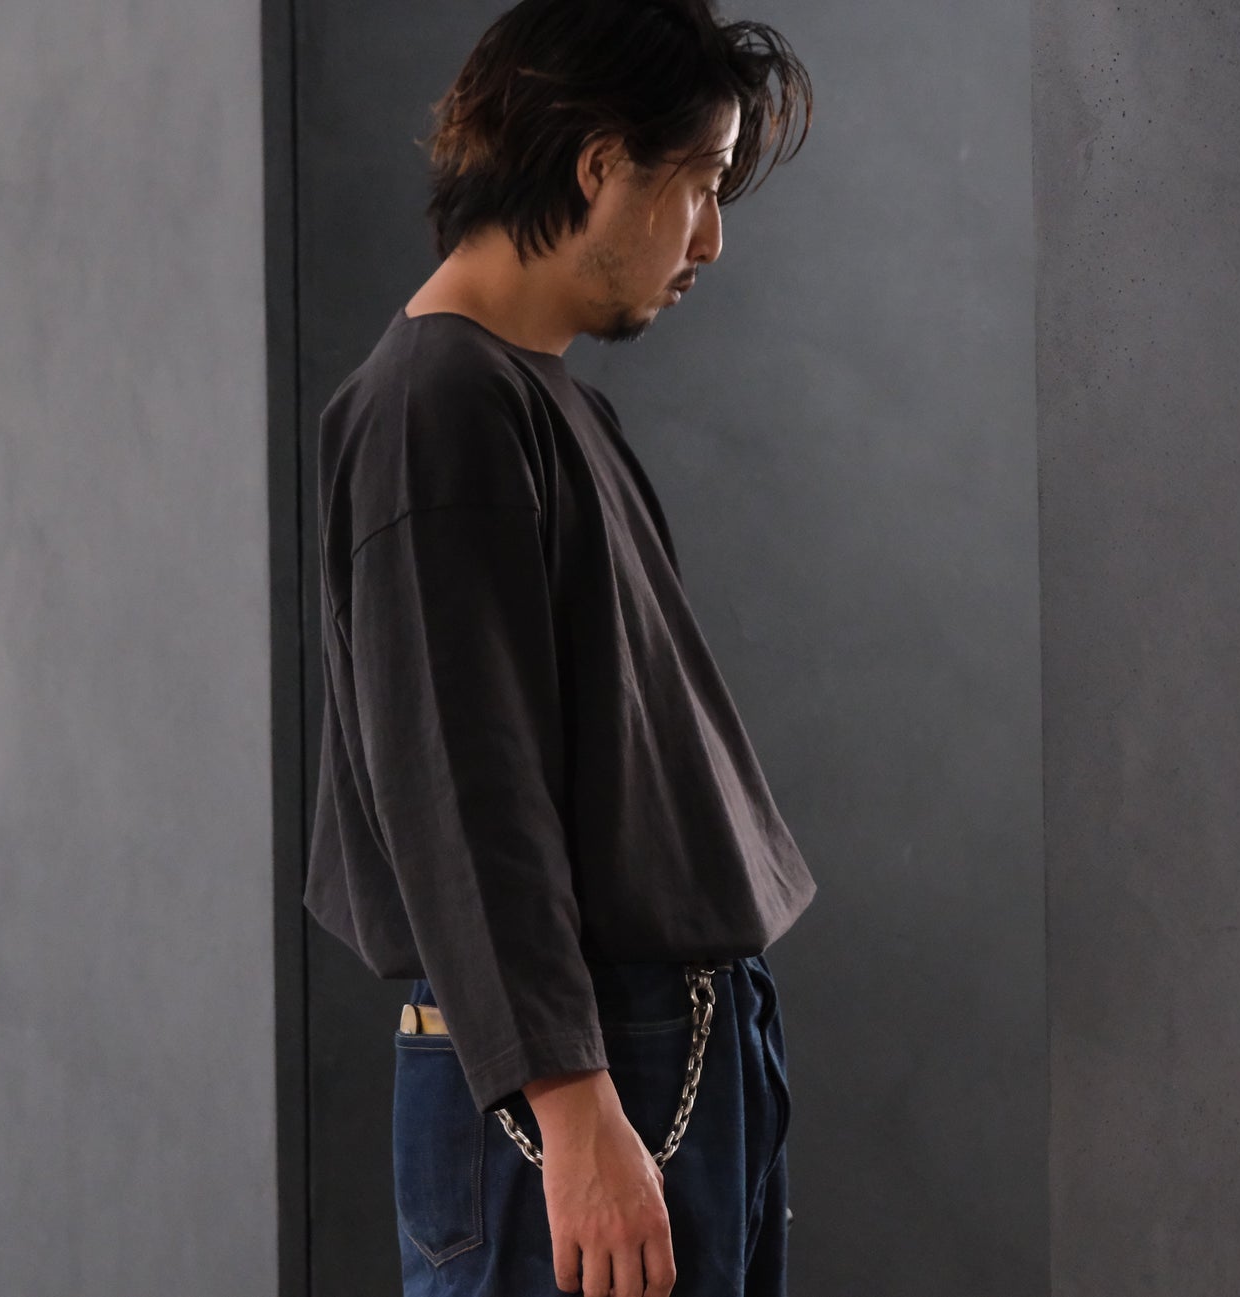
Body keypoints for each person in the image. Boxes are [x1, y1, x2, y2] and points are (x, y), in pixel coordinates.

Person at [304, 3, 818, 1294]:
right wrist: (572, 1105)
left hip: (659, 1044)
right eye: (700, 182)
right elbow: (460, 793)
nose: (711, 237)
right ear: (599, 165)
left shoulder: (538, 399)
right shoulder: (435, 410)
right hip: (582, 1067)